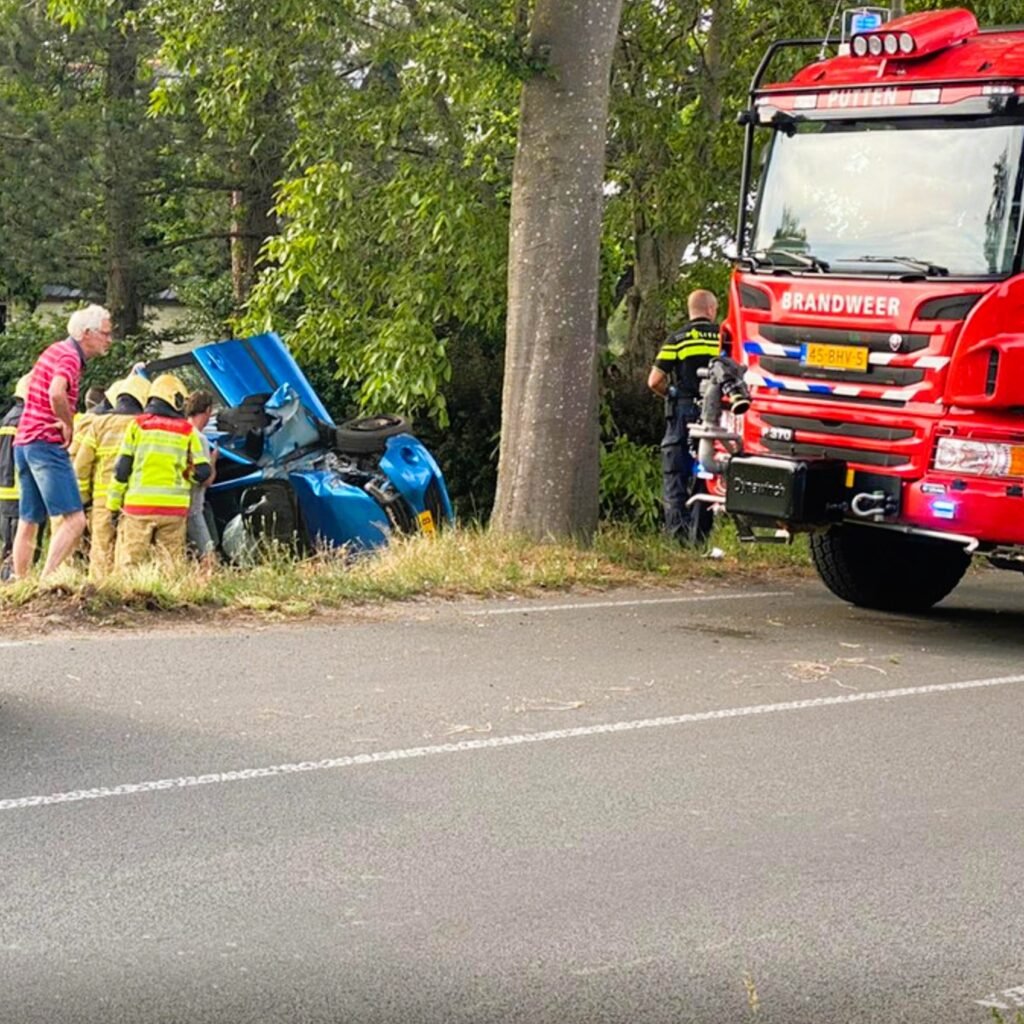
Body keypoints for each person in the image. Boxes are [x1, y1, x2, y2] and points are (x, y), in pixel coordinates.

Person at [10, 304, 113, 579]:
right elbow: (57, 393)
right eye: (105, 334)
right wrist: (69, 423)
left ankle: (22, 583)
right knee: (75, 520)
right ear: (87, 333)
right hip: (45, 442)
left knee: (29, 520)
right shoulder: (70, 357)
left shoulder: (55, 350)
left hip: (24, 441)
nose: (109, 340)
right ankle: (46, 580)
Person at [107, 373, 211, 570]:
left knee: (130, 565)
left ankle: (129, 599)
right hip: (174, 510)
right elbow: (203, 471)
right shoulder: (187, 431)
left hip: (139, 508)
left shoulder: (138, 426)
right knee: (170, 566)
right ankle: (169, 599)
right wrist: (184, 474)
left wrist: (113, 507)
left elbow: (122, 469)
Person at [647, 288, 721, 544]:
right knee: (707, 471)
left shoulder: (677, 338)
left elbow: (654, 380)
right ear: (711, 310)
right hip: (716, 416)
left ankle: (677, 538)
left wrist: (673, 393)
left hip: (683, 412)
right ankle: (699, 537)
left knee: (675, 473)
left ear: (691, 310)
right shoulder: (724, 338)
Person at [74, 374, 150, 579]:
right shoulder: (146, 425)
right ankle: (126, 591)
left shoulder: (99, 424)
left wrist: (82, 500)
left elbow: (81, 465)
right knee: (130, 550)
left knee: (101, 550)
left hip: (102, 500)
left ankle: (98, 594)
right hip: (136, 498)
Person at [0, 374, 31, 579]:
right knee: (24, 539)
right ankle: (17, 579)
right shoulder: (25, 420)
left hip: (5, 488)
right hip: (21, 488)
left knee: (8, 541)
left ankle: (7, 578)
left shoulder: (7, 418)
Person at [184, 390, 218, 564]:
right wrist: (213, 461)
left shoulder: (179, 432)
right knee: (208, 558)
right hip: (193, 509)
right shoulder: (200, 439)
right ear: (208, 410)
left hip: (175, 506)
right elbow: (206, 480)